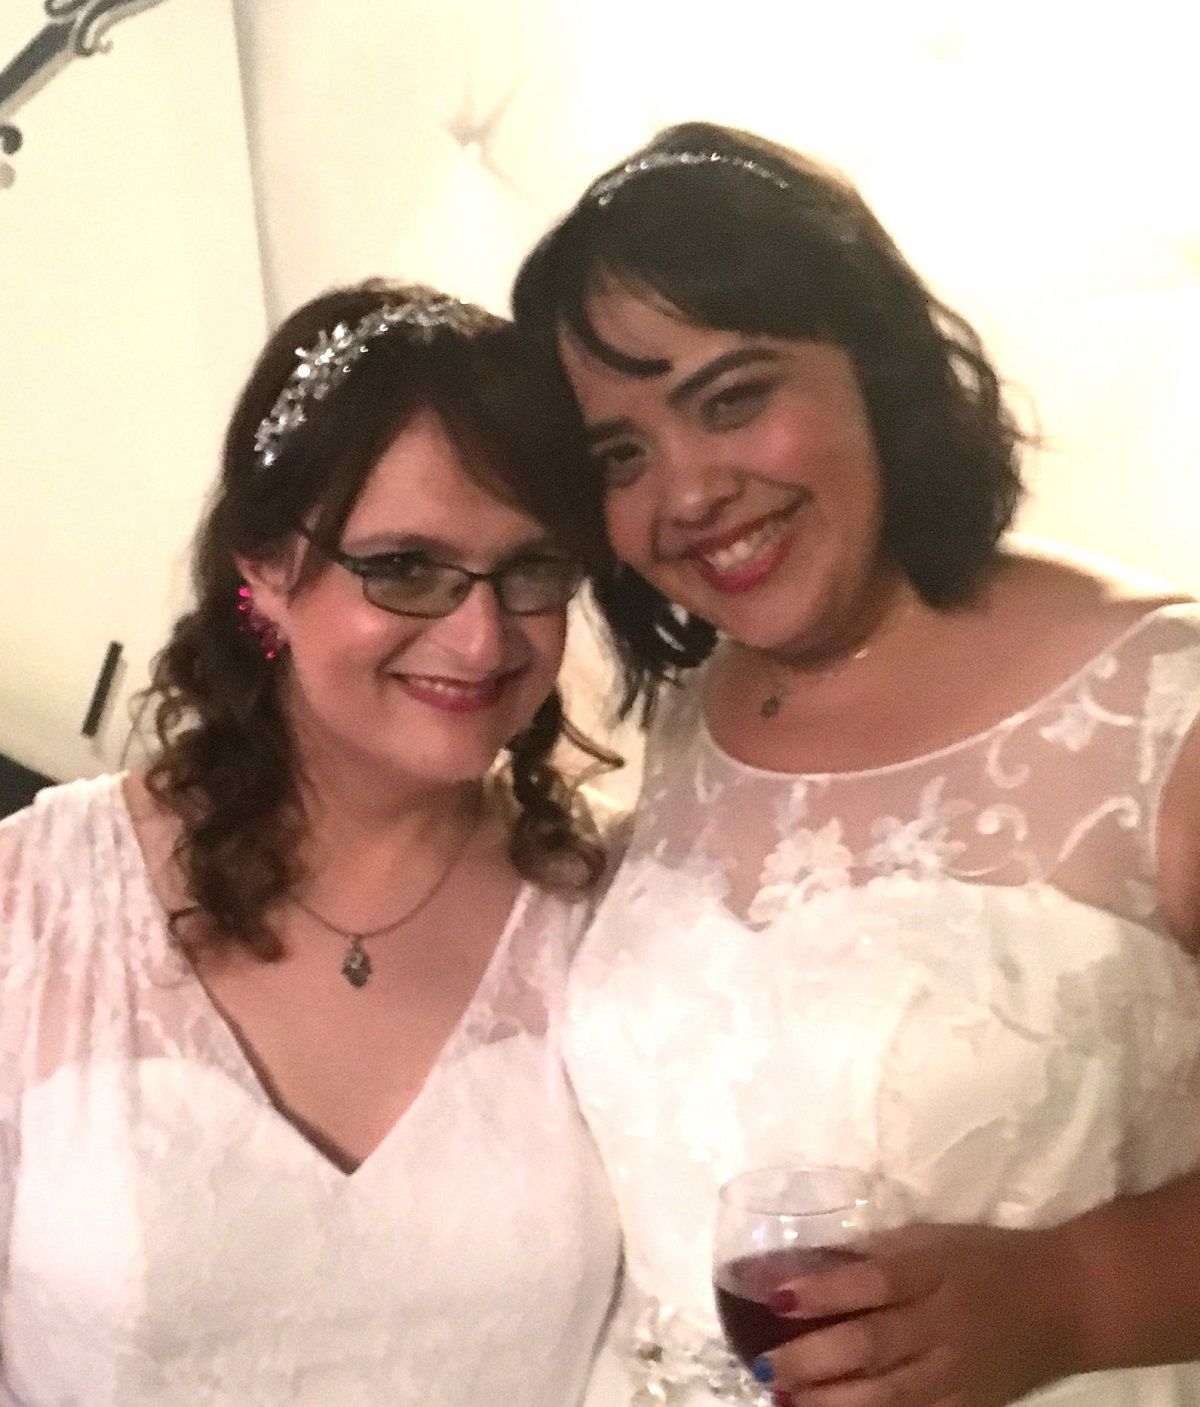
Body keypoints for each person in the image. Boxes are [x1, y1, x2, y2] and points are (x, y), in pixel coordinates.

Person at [511, 123, 1200, 1407]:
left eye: (733, 399)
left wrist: (1072, 1295)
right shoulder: (683, 725)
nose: (688, 494)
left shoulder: (1164, 700)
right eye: (620, 457)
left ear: (877, 367)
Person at [0, 281, 621, 1406]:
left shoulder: (617, 910)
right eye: (405, 566)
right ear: (266, 568)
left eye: (532, 569)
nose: (481, 638)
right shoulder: (33, 903)